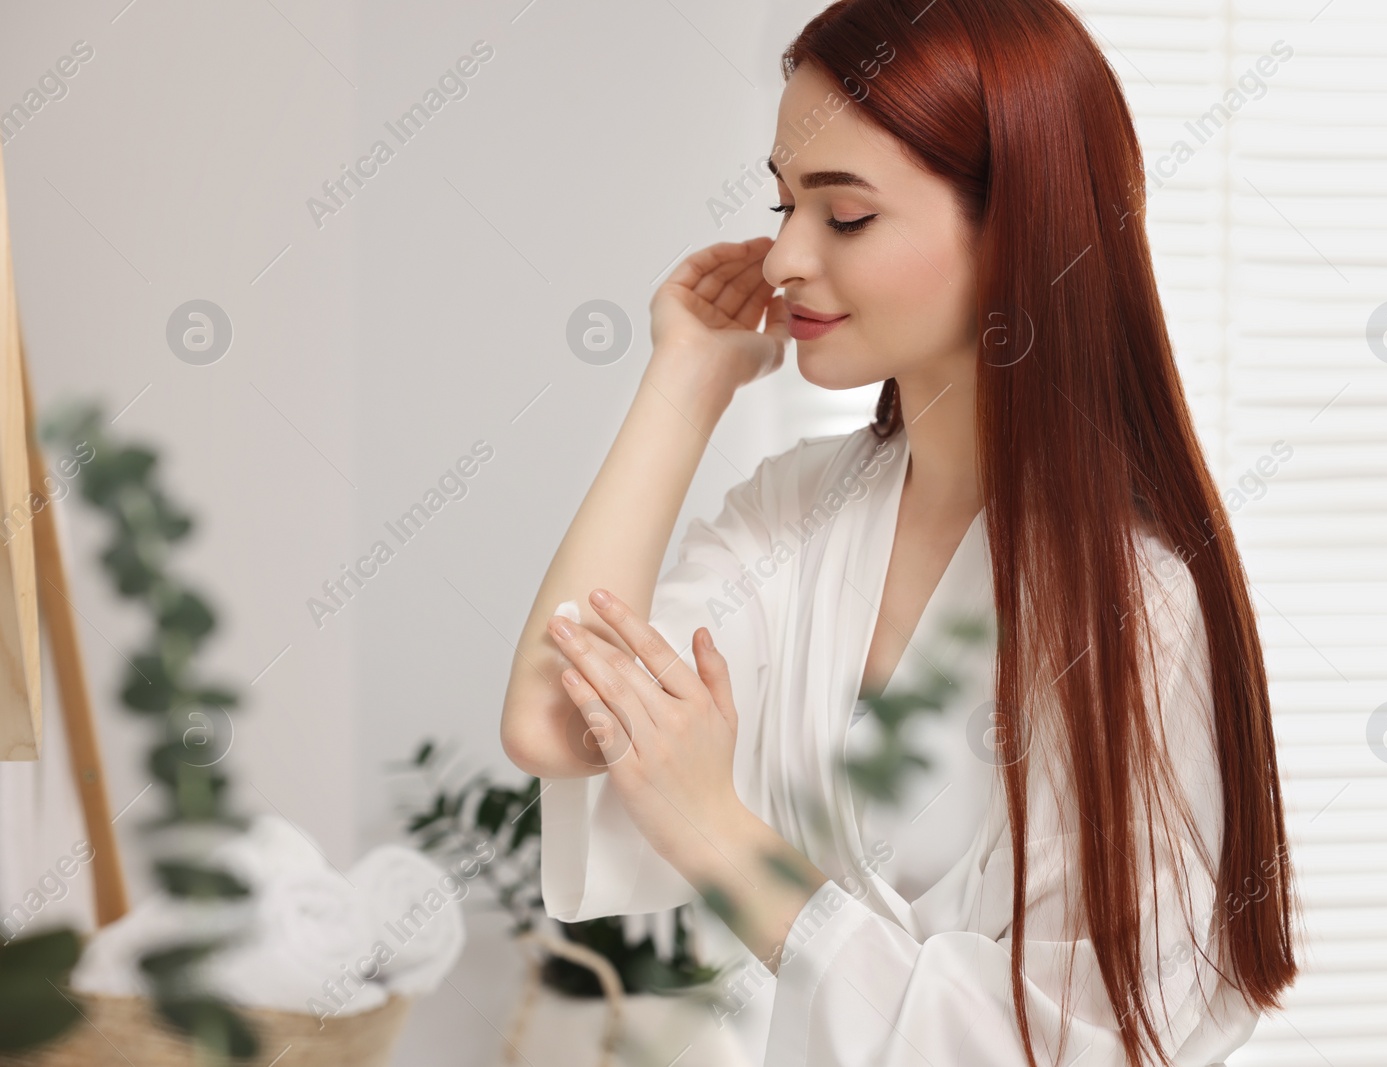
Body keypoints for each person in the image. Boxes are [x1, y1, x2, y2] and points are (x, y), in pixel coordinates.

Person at [500, 1, 1298, 1063]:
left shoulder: (1135, 605)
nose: (781, 254)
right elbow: (555, 722)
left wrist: (722, 838)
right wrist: (684, 380)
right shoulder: (799, 509)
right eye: (780, 203)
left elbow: (1079, 1042)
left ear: (1014, 227)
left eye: (844, 216)